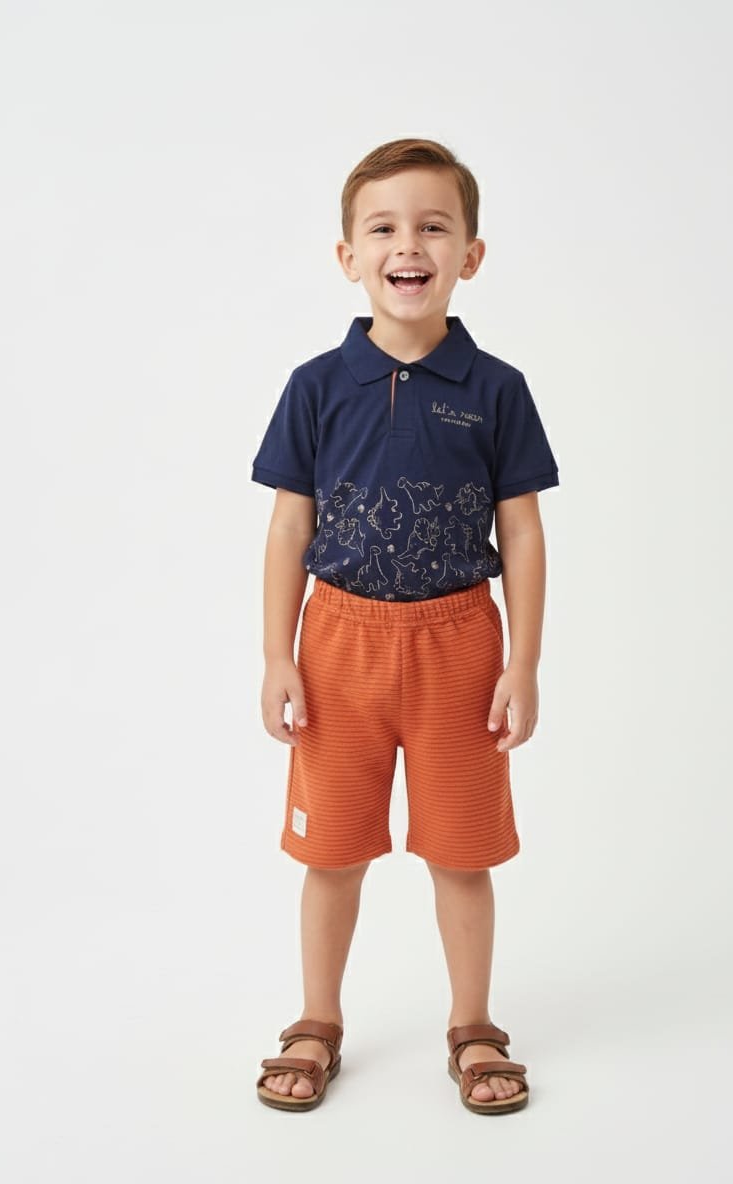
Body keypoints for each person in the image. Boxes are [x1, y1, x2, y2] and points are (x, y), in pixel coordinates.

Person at [250, 138, 560, 1114]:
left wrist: (522, 662)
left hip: (459, 648)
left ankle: (474, 1026)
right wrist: (276, 654)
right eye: (383, 228)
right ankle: (316, 1020)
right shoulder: (316, 384)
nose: (408, 245)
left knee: (462, 852)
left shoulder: (497, 388)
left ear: (471, 253)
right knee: (331, 852)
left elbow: (522, 531)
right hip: (337, 649)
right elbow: (289, 526)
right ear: (349, 256)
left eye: (433, 226)